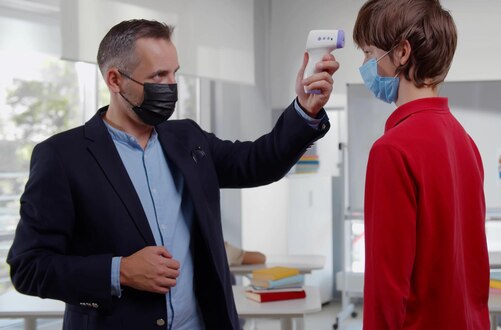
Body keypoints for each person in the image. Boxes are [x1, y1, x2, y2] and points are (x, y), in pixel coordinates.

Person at [7, 19, 338, 330]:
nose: (171, 86)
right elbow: (28, 267)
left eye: (174, 74)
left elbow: (257, 162)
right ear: (115, 79)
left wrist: (304, 109)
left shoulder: (187, 138)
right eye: (157, 76)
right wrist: (118, 271)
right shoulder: (62, 157)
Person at [353, 0, 490, 329]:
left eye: (370, 54)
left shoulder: (391, 150)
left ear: (401, 52)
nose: (365, 66)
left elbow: (386, 288)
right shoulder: (465, 142)